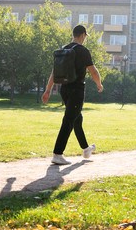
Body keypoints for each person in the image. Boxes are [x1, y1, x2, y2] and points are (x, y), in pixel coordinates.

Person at [42, 25, 104, 165]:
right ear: (82, 35)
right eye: (85, 37)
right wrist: (99, 84)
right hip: (77, 90)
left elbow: (54, 72)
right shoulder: (83, 51)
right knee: (69, 120)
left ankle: (86, 149)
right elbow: (93, 71)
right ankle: (57, 154)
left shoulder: (64, 49)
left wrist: (48, 90)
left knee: (77, 118)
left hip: (65, 89)